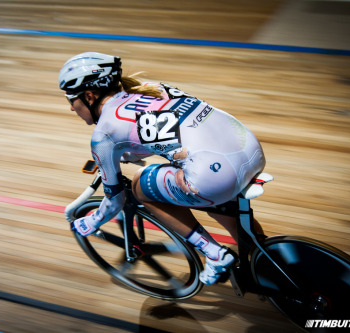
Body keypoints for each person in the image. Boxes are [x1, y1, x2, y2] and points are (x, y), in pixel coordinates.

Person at [59, 52, 266, 285]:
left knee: (140, 185)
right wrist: (125, 154)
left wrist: (91, 221)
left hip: (214, 174)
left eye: (70, 99)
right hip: (249, 148)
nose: (71, 108)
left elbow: (114, 201)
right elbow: (163, 134)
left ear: (89, 95)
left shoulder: (103, 134)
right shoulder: (150, 88)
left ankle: (216, 254)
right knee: (220, 203)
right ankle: (269, 259)